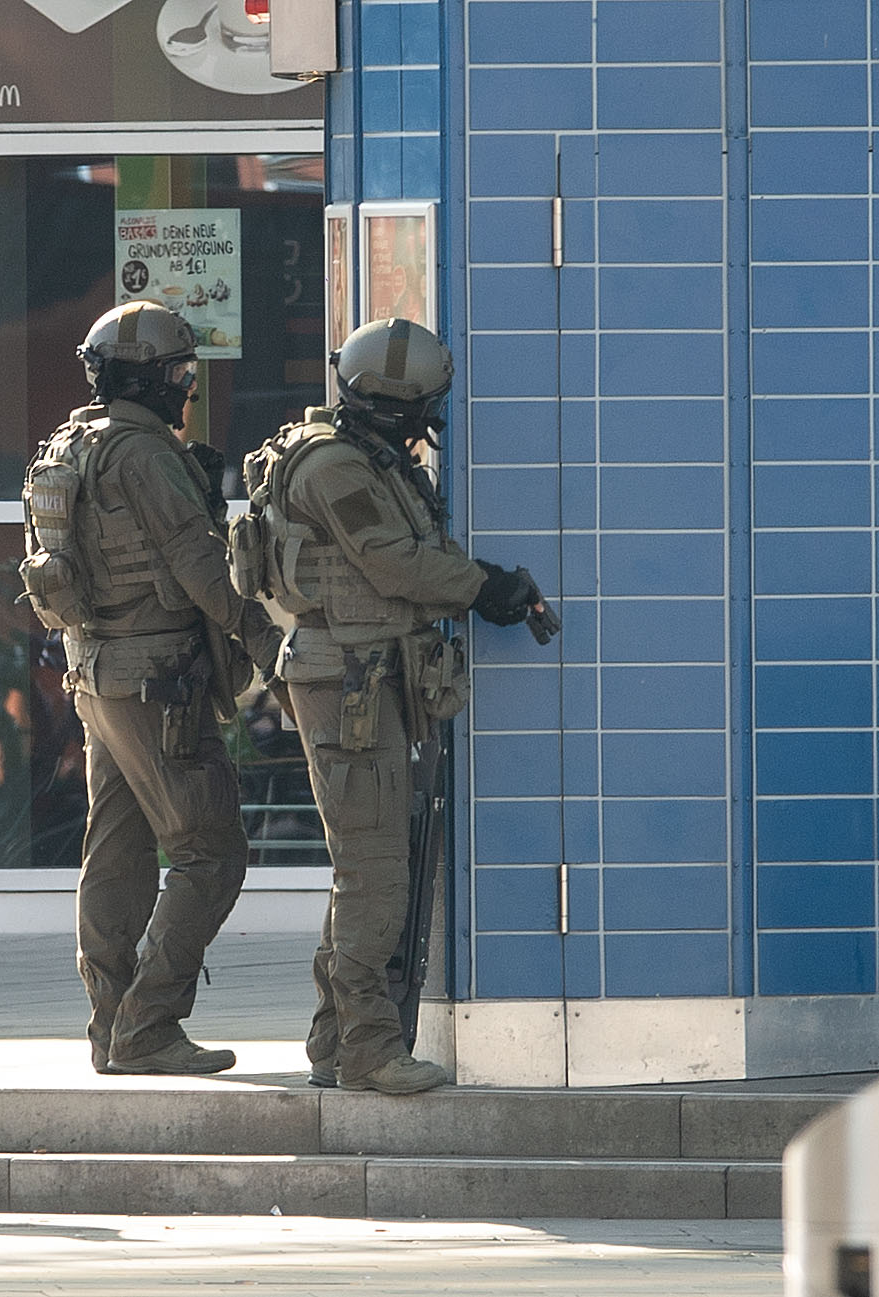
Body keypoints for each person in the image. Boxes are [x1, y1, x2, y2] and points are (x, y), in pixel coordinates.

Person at [242, 317, 544, 1095]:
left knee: (365, 866)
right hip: (351, 686)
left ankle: (334, 1038)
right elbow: (394, 560)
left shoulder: (361, 458)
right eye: (426, 405)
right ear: (396, 402)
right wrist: (486, 586)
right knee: (375, 872)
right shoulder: (335, 468)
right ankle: (369, 1051)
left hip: (366, 678)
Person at [21, 300, 281, 1077]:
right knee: (212, 849)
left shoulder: (71, 443)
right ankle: (149, 1023)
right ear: (147, 377)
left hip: (96, 675)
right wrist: (268, 644)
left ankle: (111, 1025)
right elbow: (202, 564)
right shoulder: (142, 453)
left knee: (118, 847)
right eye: (178, 374)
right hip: (157, 684)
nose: (187, 388)